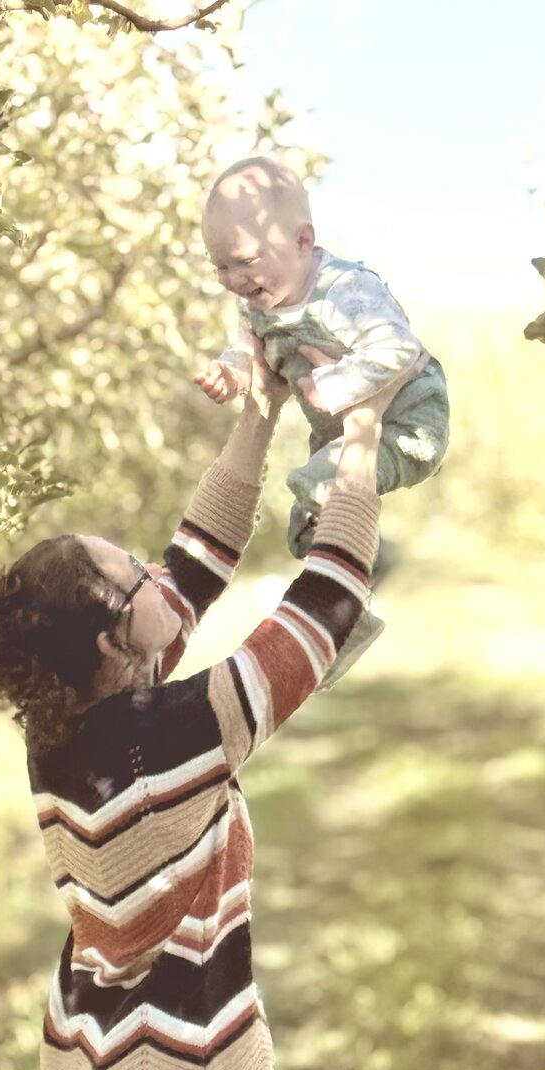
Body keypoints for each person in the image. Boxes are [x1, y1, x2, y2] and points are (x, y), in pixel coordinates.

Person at [0, 341, 394, 1070]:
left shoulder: (68, 722)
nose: (159, 572)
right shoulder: (181, 734)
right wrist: (364, 427)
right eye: (134, 578)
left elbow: (197, 557)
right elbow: (326, 601)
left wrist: (260, 411)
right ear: (112, 639)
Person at [194, 155, 450, 685]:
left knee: (318, 488)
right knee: (305, 528)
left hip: (409, 419)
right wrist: (233, 373)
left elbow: (398, 348)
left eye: (243, 261)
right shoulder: (259, 301)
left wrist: (335, 386)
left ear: (303, 241)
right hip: (345, 433)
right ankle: (365, 577)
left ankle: (339, 622)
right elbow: (249, 351)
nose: (233, 280)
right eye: (220, 267)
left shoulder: (344, 290)